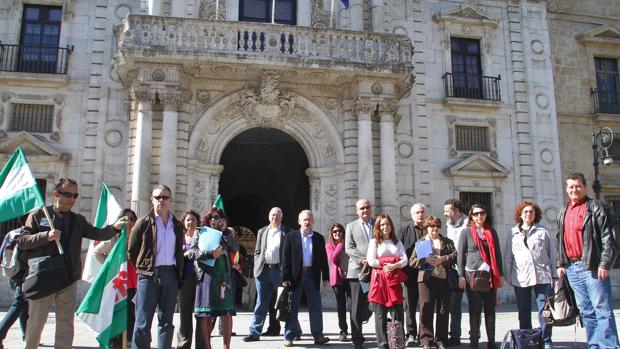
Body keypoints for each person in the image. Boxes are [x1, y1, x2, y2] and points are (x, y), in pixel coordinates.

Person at [17, 177, 127, 349]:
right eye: (68, 194)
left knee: (66, 324)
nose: (72, 199)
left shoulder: (78, 220)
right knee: (36, 322)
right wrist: (46, 236)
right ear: (56, 194)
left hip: (68, 277)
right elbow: (22, 241)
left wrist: (115, 228)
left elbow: (98, 233)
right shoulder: (39, 214)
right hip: (43, 277)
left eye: (75, 196)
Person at [556, 172, 619, 349]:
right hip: (573, 268)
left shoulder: (596, 207)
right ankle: (594, 345)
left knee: (602, 309)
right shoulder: (564, 211)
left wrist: (605, 263)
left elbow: (608, 237)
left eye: (578, 186)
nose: (574, 189)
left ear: (585, 187)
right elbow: (560, 238)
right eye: (571, 187)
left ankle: (609, 346)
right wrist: (561, 263)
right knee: (586, 311)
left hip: (592, 266)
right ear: (566, 189)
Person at [128, 184, 184, 349]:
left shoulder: (177, 224)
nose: (162, 200)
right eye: (158, 197)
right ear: (152, 199)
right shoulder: (143, 223)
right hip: (148, 275)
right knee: (142, 321)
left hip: (171, 274)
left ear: (171, 200)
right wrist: (143, 267)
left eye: (165, 197)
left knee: (167, 320)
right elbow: (132, 250)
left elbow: (179, 250)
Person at [504, 201, 554, 349]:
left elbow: (552, 253)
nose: (528, 214)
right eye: (525, 212)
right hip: (521, 276)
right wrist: (507, 275)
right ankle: (527, 339)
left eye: (531, 212)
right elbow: (508, 255)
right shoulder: (513, 233)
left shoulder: (543, 231)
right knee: (523, 310)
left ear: (535, 214)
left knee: (545, 311)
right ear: (520, 214)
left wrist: (555, 275)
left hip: (542, 275)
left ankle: (546, 340)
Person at [189, 207, 239, 349]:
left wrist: (225, 232)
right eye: (211, 217)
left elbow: (235, 248)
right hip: (205, 276)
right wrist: (210, 254)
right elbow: (192, 252)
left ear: (222, 219)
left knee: (226, 313)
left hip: (223, 276)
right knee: (205, 313)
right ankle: (207, 346)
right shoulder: (200, 232)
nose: (213, 220)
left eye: (216, 217)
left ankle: (226, 346)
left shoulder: (226, 233)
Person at [281, 210, 330, 347]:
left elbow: (323, 259)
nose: (307, 222)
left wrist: (325, 276)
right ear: (299, 221)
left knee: (315, 306)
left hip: (312, 275)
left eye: (309, 219)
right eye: (304, 220)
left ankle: (318, 336)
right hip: (295, 277)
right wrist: (285, 277)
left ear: (313, 221)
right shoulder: (290, 237)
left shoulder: (319, 238)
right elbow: (285, 258)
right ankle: (289, 336)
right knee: (292, 307)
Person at [457, 204, 503, 349]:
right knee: (475, 309)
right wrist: (460, 275)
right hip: (473, 275)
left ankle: (491, 340)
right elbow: (460, 255)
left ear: (486, 215)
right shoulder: (466, 232)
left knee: (490, 309)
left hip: (490, 275)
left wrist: (500, 274)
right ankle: (474, 341)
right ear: (471, 216)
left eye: (482, 213)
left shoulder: (491, 232)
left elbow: (498, 253)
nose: (479, 216)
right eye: (476, 214)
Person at [92, 208, 138, 347]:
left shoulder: (138, 238)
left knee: (131, 316)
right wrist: (110, 267)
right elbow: (97, 253)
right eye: (125, 218)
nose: (128, 222)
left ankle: (129, 342)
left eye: (131, 219)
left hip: (134, 284)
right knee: (116, 314)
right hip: (118, 283)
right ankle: (115, 343)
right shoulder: (113, 239)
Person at [409, 216, 457, 349]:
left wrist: (443, 259)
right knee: (426, 308)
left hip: (443, 279)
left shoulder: (447, 241)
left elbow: (454, 256)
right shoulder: (421, 242)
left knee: (443, 309)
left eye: (437, 226)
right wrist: (425, 260)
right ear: (427, 228)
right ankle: (426, 340)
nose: (434, 229)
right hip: (426, 280)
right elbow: (412, 261)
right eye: (431, 226)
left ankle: (441, 339)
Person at [243, 207, 289, 342]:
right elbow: (258, 251)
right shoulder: (262, 231)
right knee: (261, 303)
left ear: (281, 217)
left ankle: (292, 330)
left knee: (284, 302)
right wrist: (258, 266)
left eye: (278, 215)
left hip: (278, 271)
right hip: (263, 271)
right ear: (269, 217)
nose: (275, 217)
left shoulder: (286, 231)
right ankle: (254, 332)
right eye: (273, 215)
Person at [367, 213, 408, 349]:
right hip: (379, 281)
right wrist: (389, 263)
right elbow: (371, 261)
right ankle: (383, 343)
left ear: (391, 226)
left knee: (397, 312)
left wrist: (394, 265)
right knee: (380, 314)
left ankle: (396, 341)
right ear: (378, 227)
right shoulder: (374, 242)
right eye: (382, 224)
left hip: (394, 281)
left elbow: (405, 260)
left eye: (388, 224)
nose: (385, 227)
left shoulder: (397, 241)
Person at [344, 198, 375, 349]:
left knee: (377, 305)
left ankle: (383, 336)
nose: (365, 210)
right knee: (355, 307)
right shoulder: (351, 226)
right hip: (358, 272)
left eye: (367, 207)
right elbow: (349, 248)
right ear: (357, 211)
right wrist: (364, 260)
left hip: (377, 271)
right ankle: (357, 339)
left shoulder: (378, 223)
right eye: (362, 208)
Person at [397, 202, 427, 347]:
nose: (420, 214)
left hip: (426, 274)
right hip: (409, 274)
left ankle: (424, 334)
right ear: (412, 215)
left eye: (422, 212)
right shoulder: (403, 231)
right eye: (417, 212)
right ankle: (411, 333)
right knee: (409, 305)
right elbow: (398, 252)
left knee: (425, 305)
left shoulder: (431, 230)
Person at [0, 215, 29, 348]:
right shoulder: (28, 234)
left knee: (23, 304)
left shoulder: (11, 234)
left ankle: (27, 335)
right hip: (23, 274)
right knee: (20, 303)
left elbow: (2, 253)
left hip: (11, 272)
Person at [443, 198, 468, 346]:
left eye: (447, 211)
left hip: (469, 269)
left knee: (475, 305)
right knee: (454, 304)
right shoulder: (449, 225)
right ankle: (455, 335)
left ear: (456, 211)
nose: (445, 214)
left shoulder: (469, 224)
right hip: (454, 269)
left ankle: (474, 336)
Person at [176, 210, 201, 349]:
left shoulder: (202, 238)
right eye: (188, 220)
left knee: (201, 313)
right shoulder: (179, 238)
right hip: (185, 279)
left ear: (198, 223)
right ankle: (184, 344)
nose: (190, 222)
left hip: (200, 280)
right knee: (184, 314)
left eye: (193, 220)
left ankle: (201, 343)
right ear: (184, 223)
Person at [326, 222, 350, 342]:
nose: (337, 233)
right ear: (332, 233)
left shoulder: (349, 244)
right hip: (337, 279)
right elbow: (333, 259)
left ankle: (357, 330)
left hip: (350, 277)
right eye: (334, 231)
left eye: (339, 231)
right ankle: (343, 331)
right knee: (341, 306)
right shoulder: (329, 246)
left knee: (353, 306)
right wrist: (340, 245)